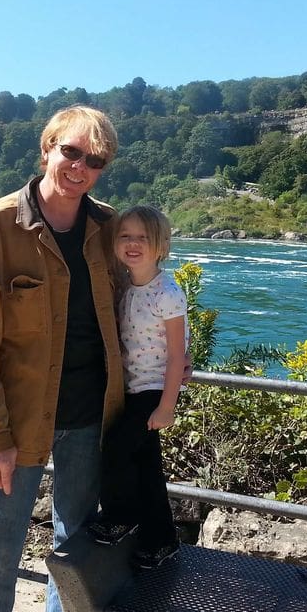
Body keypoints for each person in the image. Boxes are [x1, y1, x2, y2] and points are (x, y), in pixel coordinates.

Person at [0, 106, 125, 612]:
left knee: (75, 554)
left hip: (89, 415)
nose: (80, 168)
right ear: (47, 147)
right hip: (17, 419)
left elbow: (135, 306)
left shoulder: (107, 225)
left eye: (94, 160)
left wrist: (173, 354)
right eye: (71, 152)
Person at [88, 205, 187, 569]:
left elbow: (177, 356)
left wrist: (167, 406)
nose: (132, 243)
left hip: (152, 392)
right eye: (125, 236)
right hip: (132, 388)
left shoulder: (168, 293)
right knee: (147, 469)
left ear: (160, 245)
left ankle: (120, 518)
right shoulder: (127, 284)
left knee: (114, 449)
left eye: (142, 238)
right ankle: (162, 540)